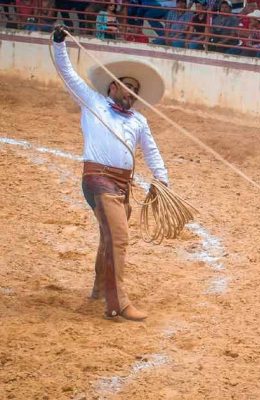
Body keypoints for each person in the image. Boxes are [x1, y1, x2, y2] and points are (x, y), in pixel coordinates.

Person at [51, 25, 170, 321]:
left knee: (109, 236)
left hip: (122, 185)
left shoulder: (139, 120)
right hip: (98, 179)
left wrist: (162, 178)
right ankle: (116, 304)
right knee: (118, 237)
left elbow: (151, 150)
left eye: (135, 91)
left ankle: (100, 288)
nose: (131, 94)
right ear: (113, 87)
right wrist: (58, 44)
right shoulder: (94, 102)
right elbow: (67, 73)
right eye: (126, 87)